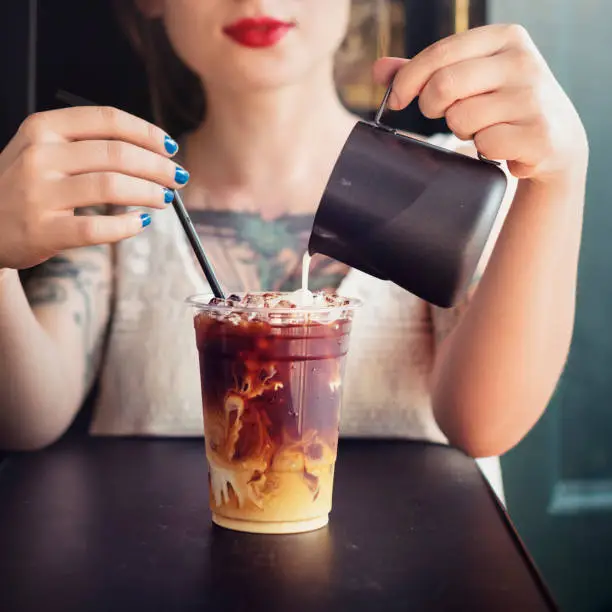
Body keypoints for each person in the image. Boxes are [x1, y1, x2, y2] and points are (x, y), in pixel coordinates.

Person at [0, 0, 587, 498]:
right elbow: (25, 417)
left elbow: (481, 425)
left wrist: (556, 182)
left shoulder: (456, 189)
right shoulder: (115, 199)